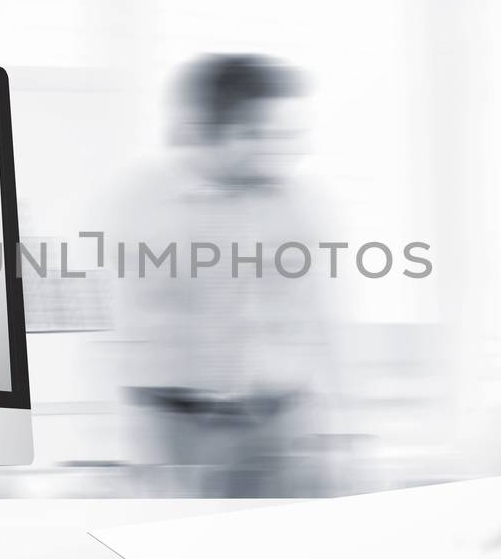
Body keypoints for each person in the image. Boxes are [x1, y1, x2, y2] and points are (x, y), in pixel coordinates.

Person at [108, 54, 335, 497]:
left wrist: (337, 432)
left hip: (275, 428)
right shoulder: (143, 202)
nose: (285, 149)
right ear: (219, 129)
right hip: (174, 429)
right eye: (263, 134)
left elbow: (322, 321)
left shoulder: (296, 203)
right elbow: (113, 322)